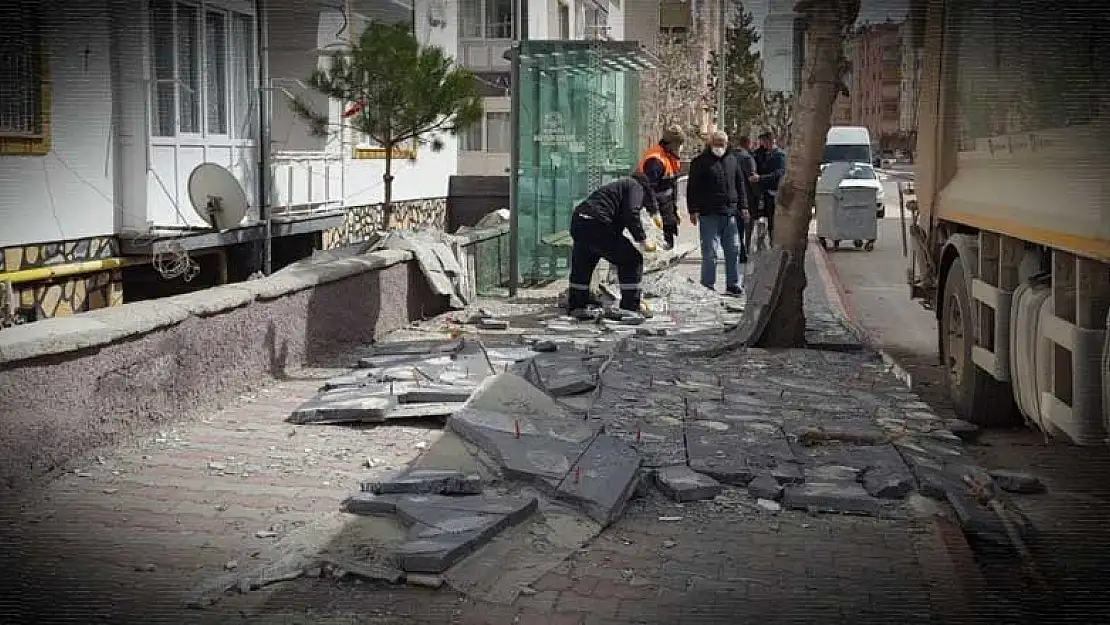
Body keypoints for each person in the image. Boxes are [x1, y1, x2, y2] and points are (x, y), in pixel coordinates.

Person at [566, 175, 659, 319]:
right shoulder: (636, 186)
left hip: (580, 220)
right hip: (598, 223)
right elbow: (631, 213)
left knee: (584, 262)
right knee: (632, 259)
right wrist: (642, 240)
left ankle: (577, 305)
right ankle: (631, 306)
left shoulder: (619, 187)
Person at [686, 130, 748, 297]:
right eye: (717, 143)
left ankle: (733, 284)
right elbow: (692, 188)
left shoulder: (732, 160)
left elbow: (739, 184)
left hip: (730, 213)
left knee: (734, 249)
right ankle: (707, 285)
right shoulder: (700, 162)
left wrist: (744, 206)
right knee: (710, 252)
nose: (720, 147)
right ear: (711, 144)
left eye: (722, 144)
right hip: (709, 214)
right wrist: (693, 210)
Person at [636, 125, 684, 249]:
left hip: (666, 210)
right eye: (679, 144)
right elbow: (648, 189)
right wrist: (654, 212)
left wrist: (674, 208)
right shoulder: (655, 160)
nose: (680, 147)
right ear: (671, 144)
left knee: (667, 245)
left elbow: (672, 185)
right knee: (658, 248)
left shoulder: (670, 157)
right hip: (655, 211)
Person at [751, 131, 787, 240]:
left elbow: (779, 173)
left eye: (763, 142)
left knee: (773, 222)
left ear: (770, 141)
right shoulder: (763, 154)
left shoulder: (779, 155)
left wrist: (761, 178)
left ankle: (774, 241)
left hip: (774, 193)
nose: (762, 145)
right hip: (764, 194)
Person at [733, 135, 759, 262]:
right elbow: (752, 179)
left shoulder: (730, 157)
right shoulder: (748, 158)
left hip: (732, 197)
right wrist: (757, 196)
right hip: (747, 197)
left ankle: (738, 251)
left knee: (736, 227)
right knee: (747, 227)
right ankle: (744, 251)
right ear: (748, 143)